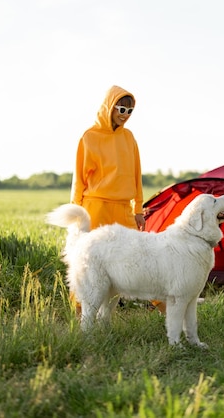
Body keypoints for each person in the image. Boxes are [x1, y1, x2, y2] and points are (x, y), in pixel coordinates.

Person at [70, 85, 164, 313]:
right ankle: (80, 315)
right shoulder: (89, 137)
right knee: (87, 262)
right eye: (121, 108)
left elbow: (135, 175)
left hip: (123, 209)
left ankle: (165, 307)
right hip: (96, 208)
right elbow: (79, 180)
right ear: (109, 106)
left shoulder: (129, 137)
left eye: (130, 111)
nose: (124, 115)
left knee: (140, 259)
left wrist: (139, 210)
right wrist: (75, 216)